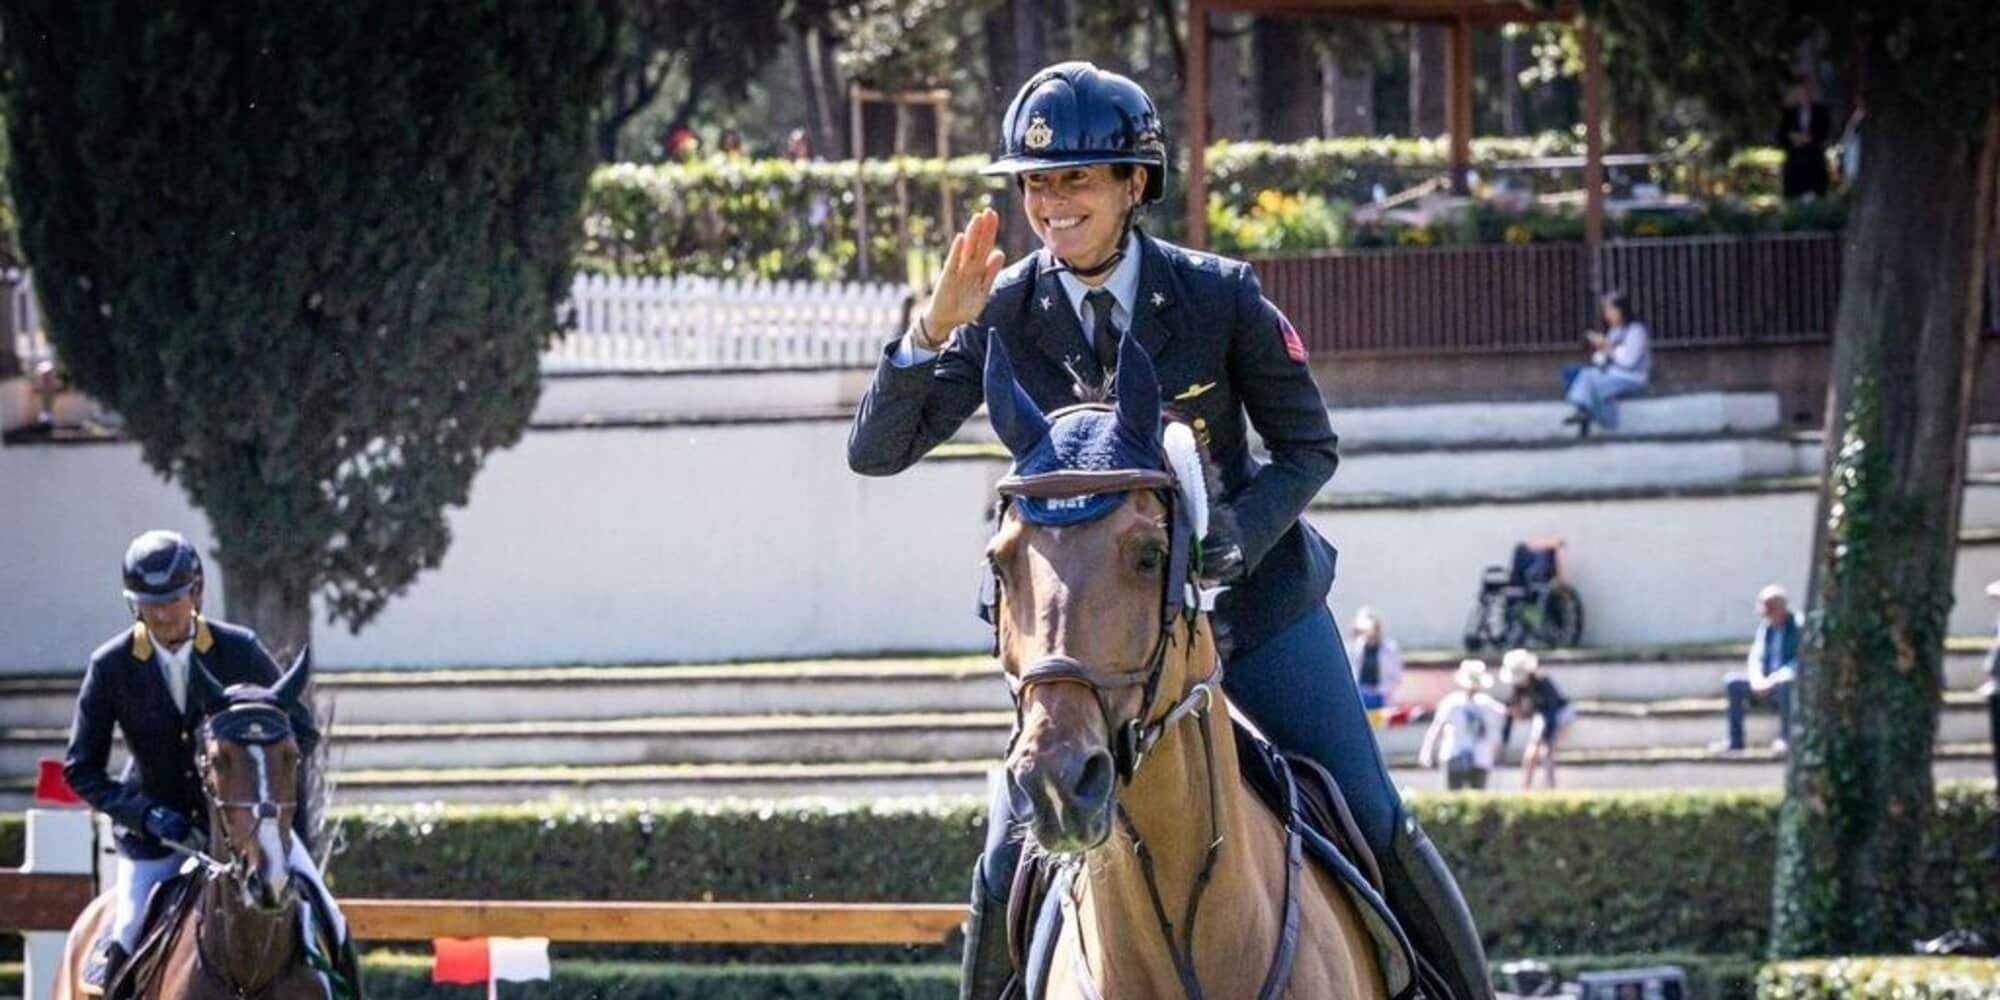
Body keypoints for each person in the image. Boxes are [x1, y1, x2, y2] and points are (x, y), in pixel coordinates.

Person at [846, 61, 1493, 1000]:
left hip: (1253, 617)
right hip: (1091, 645)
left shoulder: (1219, 295)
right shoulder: (1004, 311)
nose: (1051, 203)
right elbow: (876, 454)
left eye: (1075, 178)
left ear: (1134, 182)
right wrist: (927, 335)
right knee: (1002, 860)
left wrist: (1232, 537)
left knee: (1375, 816)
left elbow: (1308, 449)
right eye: (1035, 183)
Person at [65, 530, 350, 993]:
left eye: (172, 600)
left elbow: (302, 731)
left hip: (252, 828)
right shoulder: (111, 665)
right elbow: (81, 769)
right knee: (125, 932)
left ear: (195, 593)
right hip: (157, 837)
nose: (161, 614)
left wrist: (261, 766)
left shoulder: (239, 650)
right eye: (148, 603)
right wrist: (145, 815)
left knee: (331, 917)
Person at [1720, 584, 1801, 754]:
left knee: (1787, 683)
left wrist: (1773, 679)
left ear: (1782, 607)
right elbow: (1756, 657)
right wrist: (1757, 679)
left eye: (1770, 610)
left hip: (1785, 684)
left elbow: (1798, 661)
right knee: (1732, 682)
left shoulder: (1799, 627)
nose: (1766, 615)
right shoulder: (1766, 628)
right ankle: (1735, 742)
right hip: (1763, 683)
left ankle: (1785, 739)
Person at [1561, 290, 1650, 436]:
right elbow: (1599, 360)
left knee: (1588, 379)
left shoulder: (1636, 331)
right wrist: (1600, 348)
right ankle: (1589, 414)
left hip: (1632, 377)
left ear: (1620, 310)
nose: (1606, 315)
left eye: (1610, 310)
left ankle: (1586, 413)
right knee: (1579, 374)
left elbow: (1629, 361)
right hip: (1613, 374)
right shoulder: (1615, 331)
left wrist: (1608, 348)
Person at [1419, 660, 1509, 790]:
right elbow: (1437, 728)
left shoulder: (1489, 705)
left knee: (1477, 797)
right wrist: (1426, 751)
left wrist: (1496, 752)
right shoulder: (1452, 702)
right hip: (1455, 755)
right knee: (1452, 796)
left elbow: (1498, 730)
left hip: (1480, 758)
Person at [1500, 648, 1572, 789]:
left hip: (1560, 714)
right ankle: (1526, 787)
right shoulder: (1519, 688)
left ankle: (1551, 787)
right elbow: (1514, 711)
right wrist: (1505, 736)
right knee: (1530, 754)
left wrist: (1547, 736)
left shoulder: (1543, 682)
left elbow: (1551, 711)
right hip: (1542, 716)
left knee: (1546, 752)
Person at [1776, 75, 1832, 200]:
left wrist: (1809, 139)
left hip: (1814, 162)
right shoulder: (1789, 113)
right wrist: (1793, 139)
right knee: (1794, 198)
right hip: (1794, 163)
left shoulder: (1820, 111)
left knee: (1815, 197)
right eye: (1800, 90)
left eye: (1806, 90)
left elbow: (1824, 134)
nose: (1803, 94)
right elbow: (1781, 137)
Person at [1346, 606, 1404, 709]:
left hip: (1380, 696)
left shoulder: (1390, 649)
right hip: (1358, 694)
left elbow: (1395, 678)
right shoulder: (1352, 648)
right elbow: (1349, 673)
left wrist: (1378, 692)